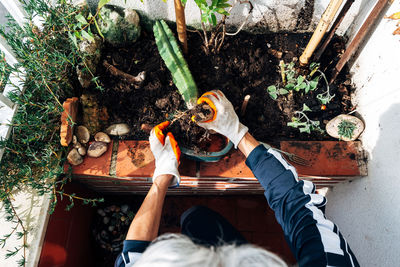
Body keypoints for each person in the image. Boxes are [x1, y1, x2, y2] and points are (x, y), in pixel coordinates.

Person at [115, 90, 360, 267]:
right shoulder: (328, 262)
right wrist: (237, 132)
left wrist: (162, 176)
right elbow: (295, 203)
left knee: (194, 219)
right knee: (197, 219)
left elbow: (133, 253)